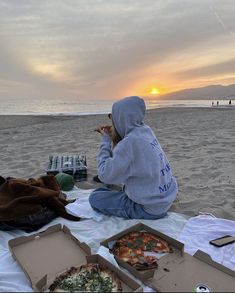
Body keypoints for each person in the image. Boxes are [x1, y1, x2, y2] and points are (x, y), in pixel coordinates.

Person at [89, 96, 178, 219]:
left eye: (112, 116)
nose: (112, 120)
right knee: (110, 187)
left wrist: (106, 139)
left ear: (121, 118)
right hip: (166, 198)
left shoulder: (129, 143)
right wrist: (116, 134)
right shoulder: (146, 131)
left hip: (148, 208)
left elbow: (104, 174)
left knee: (95, 197)